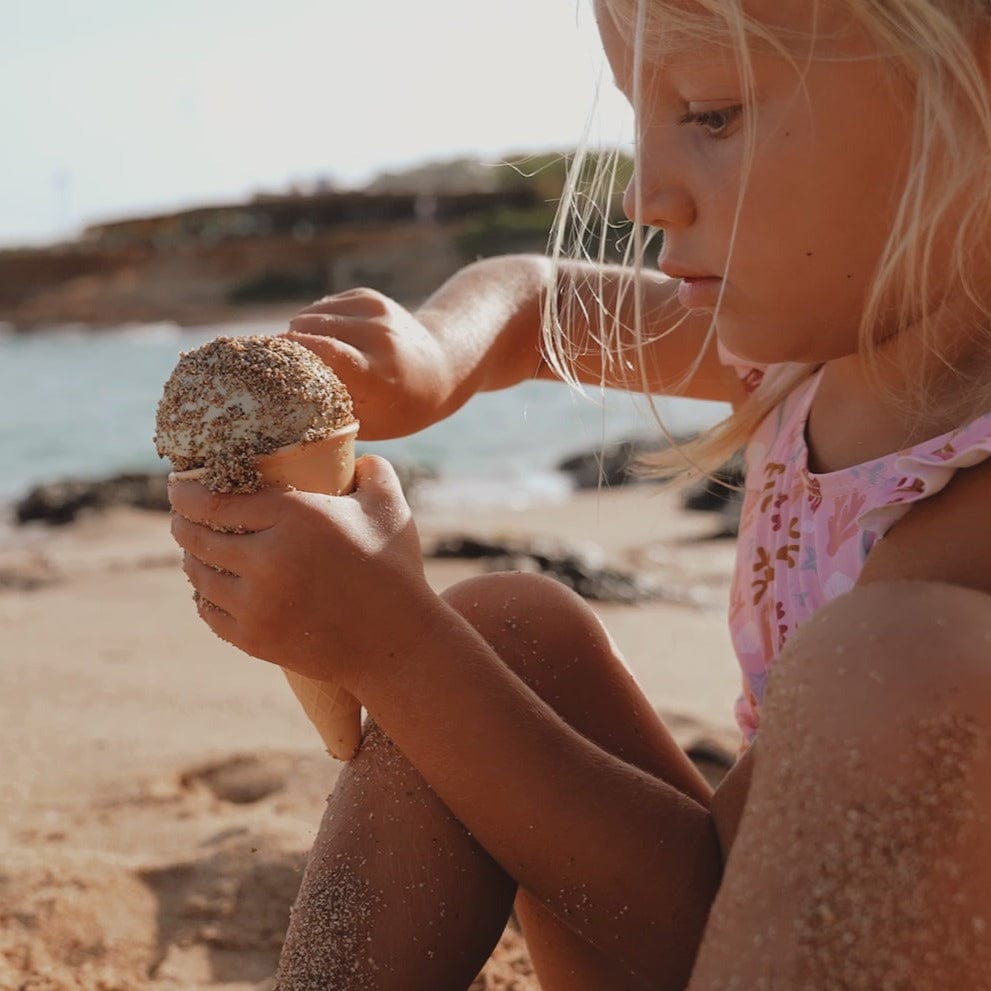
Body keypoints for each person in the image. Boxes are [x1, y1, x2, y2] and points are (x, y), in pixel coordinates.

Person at [167, 0, 991, 987]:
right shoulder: (818, 344)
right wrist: (434, 354)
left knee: (892, 667)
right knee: (509, 630)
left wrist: (393, 650)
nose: (645, 196)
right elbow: (539, 300)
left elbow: (705, 934)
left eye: (711, 113)